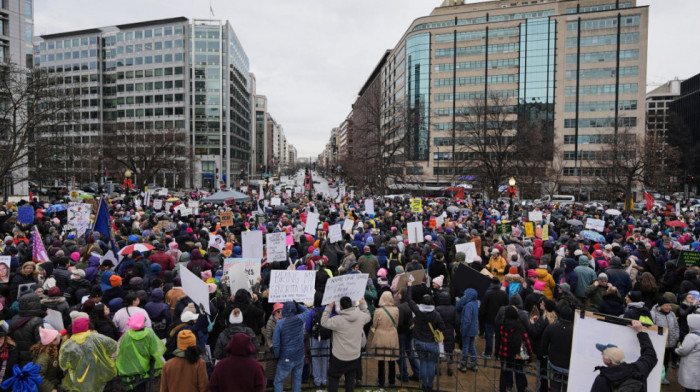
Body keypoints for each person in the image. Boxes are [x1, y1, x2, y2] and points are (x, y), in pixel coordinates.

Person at [321, 296, 371, 392]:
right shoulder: (360, 316)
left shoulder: (337, 320)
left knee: (334, 378)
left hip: (339, 356)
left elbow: (324, 322)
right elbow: (368, 316)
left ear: (341, 307)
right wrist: (363, 304)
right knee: (350, 379)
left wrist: (329, 307)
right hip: (354, 355)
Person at [591, 320, 658, 391]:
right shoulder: (637, 369)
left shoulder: (603, 379)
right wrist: (641, 332)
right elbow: (650, 355)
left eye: (603, 354)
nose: (601, 354)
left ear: (609, 360)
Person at [59, 317, 118, 392]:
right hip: (99, 371)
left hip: (79, 377)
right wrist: (107, 356)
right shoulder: (97, 337)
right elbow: (113, 347)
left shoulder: (68, 344)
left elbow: (63, 364)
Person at [406, 283, 445, 392]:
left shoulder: (418, 311)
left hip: (419, 341)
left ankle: (424, 385)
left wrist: (409, 286)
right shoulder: (436, 314)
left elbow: (409, 299)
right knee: (431, 364)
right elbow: (442, 326)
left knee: (423, 362)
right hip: (432, 342)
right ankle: (430, 385)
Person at [116, 313, 167, 392]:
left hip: (128, 368)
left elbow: (122, 351)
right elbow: (156, 350)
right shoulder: (149, 334)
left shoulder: (126, 335)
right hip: (143, 369)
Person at [272, 301, 310, 392]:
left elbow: (276, 343)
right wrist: (297, 305)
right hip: (299, 356)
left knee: (278, 382)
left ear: (284, 310)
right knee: (297, 381)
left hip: (286, 357)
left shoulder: (280, 324)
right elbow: (307, 311)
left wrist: (277, 355)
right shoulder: (299, 318)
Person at [497, 306, 533, 392]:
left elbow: (498, 338)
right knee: (519, 375)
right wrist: (530, 354)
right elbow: (526, 340)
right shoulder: (518, 325)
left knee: (504, 373)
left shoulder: (501, 323)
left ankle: (502, 389)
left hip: (504, 353)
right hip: (517, 354)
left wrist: (497, 351)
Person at [369, 291, 399, 387]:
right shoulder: (396, 310)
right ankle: (391, 381)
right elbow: (396, 323)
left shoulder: (378, 311)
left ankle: (381, 381)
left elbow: (374, 324)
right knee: (392, 360)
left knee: (381, 360)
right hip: (392, 335)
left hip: (380, 335)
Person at [541, 306, 574, 392]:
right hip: (569, 366)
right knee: (566, 388)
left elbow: (544, 343)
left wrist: (545, 354)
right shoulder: (576, 330)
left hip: (554, 363)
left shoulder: (552, 327)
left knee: (554, 386)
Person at [8, 293, 45, 366]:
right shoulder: (37, 321)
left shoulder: (14, 318)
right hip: (31, 358)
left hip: (16, 357)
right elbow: (40, 342)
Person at [651, 296, 680, 385]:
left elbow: (676, 326)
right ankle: (655, 378)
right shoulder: (653, 314)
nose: (669, 307)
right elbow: (651, 328)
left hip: (670, 343)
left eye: (669, 305)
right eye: (666, 305)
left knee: (666, 362)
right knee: (658, 361)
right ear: (660, 306)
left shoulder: (672, 314)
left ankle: (663, 377)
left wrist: (676, 337)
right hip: (659, 343)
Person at [480, 277, 509, 357]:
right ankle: (498, 354)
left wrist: (482, 318)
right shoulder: (504, 294)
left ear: (491, 284)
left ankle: (488, 353)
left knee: (489, 336)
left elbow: (483, 307)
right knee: (499, 337)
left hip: (489, 319)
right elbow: (507, 306)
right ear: (499, 284)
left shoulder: (488, 293)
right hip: (501, 319)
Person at [30, 327, 61, 392]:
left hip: (52, 383)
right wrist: (50, 389)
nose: (60, 338)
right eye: (58, 337)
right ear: (53, 340)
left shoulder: (52, 351)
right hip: (47, 388)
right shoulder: (44, 356)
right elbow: (38, 374)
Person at [675, 314, 700, 392]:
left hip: (690, 366)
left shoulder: (691, 337)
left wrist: (677, 350)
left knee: (689, 385)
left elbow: (684, 350)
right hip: (698, 364)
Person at [456, 288, 479, 372]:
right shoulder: (475, 303)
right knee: (472, 346)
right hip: (474, 329)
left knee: (465, 347)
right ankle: (473, 363)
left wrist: (463, 330)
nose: (464, 296)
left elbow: (467, 320)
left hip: (468, 330)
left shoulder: (468, 305)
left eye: (465, 294)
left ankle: (463, 363)